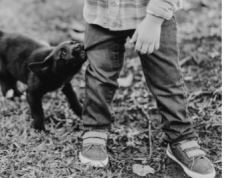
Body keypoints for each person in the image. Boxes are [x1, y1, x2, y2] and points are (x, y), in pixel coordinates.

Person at [78, 0, 216, 177]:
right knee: (99, 76)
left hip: (153, 14)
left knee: (167, 78)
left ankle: (180, 136)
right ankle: (95, 127)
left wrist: (154, 19)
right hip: (101, 14)